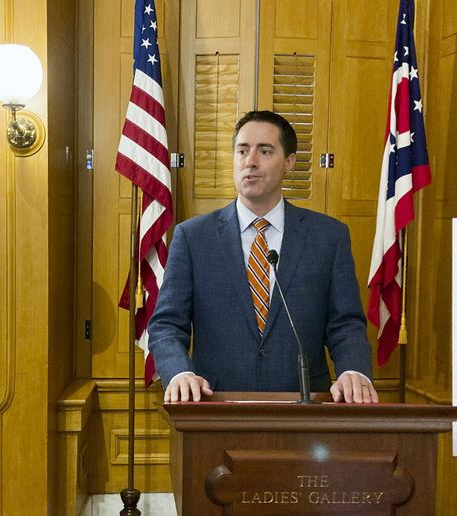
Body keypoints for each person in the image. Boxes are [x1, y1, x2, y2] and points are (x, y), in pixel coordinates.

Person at [147, 110, 379, 404]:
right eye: (242, 150)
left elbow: (345, 324)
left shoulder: (329, 237)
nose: (250, 161)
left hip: (304, 406)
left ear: (289, 162)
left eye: (265, 151)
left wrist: (353, 370)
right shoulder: (193, 237)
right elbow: (167, 324)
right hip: (215, 406)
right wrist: (179, 372)